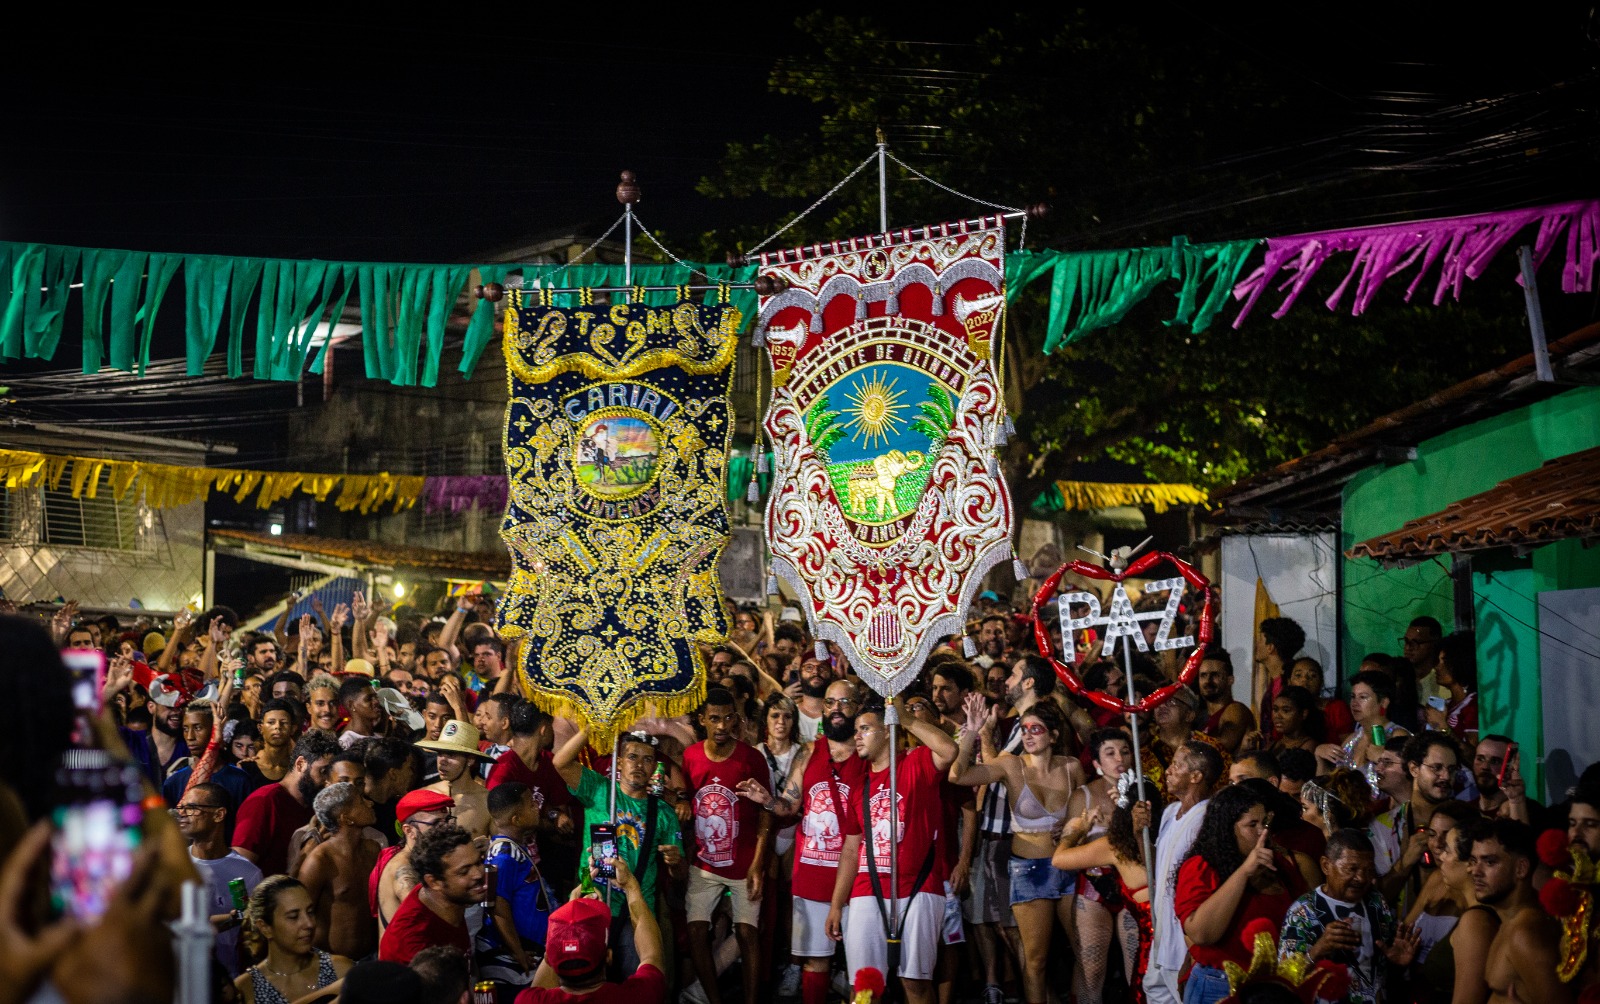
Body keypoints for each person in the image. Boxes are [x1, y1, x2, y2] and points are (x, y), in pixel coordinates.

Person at [739, 678, 866, 1004]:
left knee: (862, 968)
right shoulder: (809, 752)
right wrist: (768, 800)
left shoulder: (869, 754)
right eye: (830, 702)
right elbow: (789, 805)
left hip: (858, 876)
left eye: (844, 702)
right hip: (811, 872)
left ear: (858, 708)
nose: (836, 709)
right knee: (814, 960)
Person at [950, 692, 1083, 1004]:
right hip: (1029, 871)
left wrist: (1074, 827)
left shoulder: (1072, 768)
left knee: (1083, 952)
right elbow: (958, 776)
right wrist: (971, 731)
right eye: (1024, 729)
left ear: (1053, 735)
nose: (1028, 734)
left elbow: (1086, 814)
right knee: (1035, 960)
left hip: (1067, 868)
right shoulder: (1011, 766)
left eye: (1036, 729)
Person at [825, 695, 959, 1004]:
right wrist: (836, 904)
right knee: (864, 986)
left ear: (888, 731)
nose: (856, 736)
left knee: (915, 983)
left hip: (919, 887)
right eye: (855, 729)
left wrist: (907, 719)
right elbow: (850, 849)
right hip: (867, 889)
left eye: (865, 729)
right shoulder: (860, 786)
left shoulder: (916, 763)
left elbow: (950, 750)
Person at [552, 726, 686, 976]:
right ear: (620, 762)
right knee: (586, 980)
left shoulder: (664, 814)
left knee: (633, 981)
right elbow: (560, 761)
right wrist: (591, 725)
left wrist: (675, 862)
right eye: (633, 757)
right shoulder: (598, 789)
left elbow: (680, 875)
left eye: (647, 759)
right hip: (591, 898)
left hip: (636, 911)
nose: (639, 765)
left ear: (654, 767)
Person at [1174, 782, 1309, 1004]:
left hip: (1271, 987)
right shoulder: (1201, 866)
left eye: (1265, 822)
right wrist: (1244, 872)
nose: (1261, 832)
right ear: (1228, 828)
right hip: (1220, 985)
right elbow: (1201, 934)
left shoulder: (1278, 864)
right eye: (1251, 824)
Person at [682, 688, 772, 1004]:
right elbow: (685, 804)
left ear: (736, 718)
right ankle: (713, 998)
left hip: (744, 863)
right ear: (702, 719)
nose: (721, 727)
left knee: (747, 933)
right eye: (714, 719)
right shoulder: (690, 757)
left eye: (727, 718)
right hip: (704, 866)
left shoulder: (752, 758)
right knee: (696, 932)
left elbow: (766, 813)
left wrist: (758, 863)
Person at [1276, 828, 1420, 1004]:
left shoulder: (1376, 903)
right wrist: (1318, 949)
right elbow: (1285, 979)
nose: (1361, 878)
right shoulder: (1303, 912)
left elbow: (1384, 969)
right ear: (1326, 866)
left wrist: (1398, 964)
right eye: (1351, 869)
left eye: (1368, 870)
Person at [1054, 786, 1165, 1004]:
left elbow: (1059, 859)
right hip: (1163, 939)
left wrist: (1078, 831)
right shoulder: (1168, 834)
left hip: (1156, 944)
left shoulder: (1116, 846)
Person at [515, 855, 667, 1004]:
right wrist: (630, 886)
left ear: (549, 959)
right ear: (608, 957)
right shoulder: (639, 995)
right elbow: (651, 956)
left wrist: (569, 914)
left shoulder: (528, 1000)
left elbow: (544, 976)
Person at [1059, 727, 1140, 1004]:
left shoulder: (1144, 792)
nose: (1119, 758)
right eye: (1110, 753)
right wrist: (1083, 829)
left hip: (1133, 887)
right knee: (1091, 971)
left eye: (1125, 751)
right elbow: (1065, 849)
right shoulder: (1084, 796)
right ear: (1096, 763)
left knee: (1138, 971)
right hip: (1094, 887)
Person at [1144, 740, 1225, 1004]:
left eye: (1176, 765)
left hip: (1183, 945)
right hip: (1161, 940)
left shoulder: (1206, 818)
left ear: (1196, 776)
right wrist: (1139, 834)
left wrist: (1191, 948)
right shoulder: (1169, 812)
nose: (1167, 771)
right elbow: (1157, 870)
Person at [1472, 818, 1573, 1004]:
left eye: (1489, 862)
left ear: (1521, 868)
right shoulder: (1512, 922)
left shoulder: (1525, 933)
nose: (1475, 871)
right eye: (1474, 860)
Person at [178, 780, 264, 978]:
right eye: (181, 807)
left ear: (219, 814)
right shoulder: (175, 867)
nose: (182, 813)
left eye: (191, 808)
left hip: (230, 980)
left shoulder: (246, 873)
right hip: (183, 979)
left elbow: (253, 930)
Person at [1410, 818, 1500, 1004]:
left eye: (1448, 851)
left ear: (1469, 863)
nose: (1441, 857)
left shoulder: (1476, 921)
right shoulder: (1473, 914)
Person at [233, 730, 340, 877]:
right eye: (323, 771)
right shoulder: (264, 802)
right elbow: (238, 870)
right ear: (301, 764)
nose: (328, 782)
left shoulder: (316, 805)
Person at [236, 876, 354, 1004]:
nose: (309, 924)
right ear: (265, 928)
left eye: (310, 912)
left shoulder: (341, 970)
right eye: (293, 917)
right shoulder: (245, 989)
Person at [298, 781, 383, 959]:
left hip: (371, 957)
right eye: (361, 801)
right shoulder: (320, 861)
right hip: (330, 964)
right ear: (346, 818)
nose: (370, 803)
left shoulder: (373, 850)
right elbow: (300, 913)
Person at [379, 822, 486, 964]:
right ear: (433, 882)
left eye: (479, 862)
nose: (478, 874)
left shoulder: (451, 900)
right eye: (464, 871)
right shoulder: (413, 942)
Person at [482, 783, 555, 979]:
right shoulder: (504, 857)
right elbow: (497, 906)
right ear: (517, 819)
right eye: (531, 805)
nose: (537, 807)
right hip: (516, 963)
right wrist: (517, 952)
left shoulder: (514, 849)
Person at [485, 701, 578, 853]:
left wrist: (555, 815)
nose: (553, 732)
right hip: (511, 854)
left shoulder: (548, 761)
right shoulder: (503, 769)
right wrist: (548, 822)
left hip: (542, 853)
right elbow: (498, 822)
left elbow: (557, 808)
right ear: (543, 729)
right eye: (551, 726)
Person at [1379, 734, 1461, 904]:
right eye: (1436, 768)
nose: (1445, 776)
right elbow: (1376, 901)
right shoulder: (1381, 828)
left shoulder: (1469, 822)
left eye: (1452, 769)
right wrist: (1406, 862)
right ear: (1414, 769)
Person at [1401, 800, 1481, 974]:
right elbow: (1404, 931)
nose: (1436, 843)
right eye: (1432, 834)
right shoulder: (1436, 877)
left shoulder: (1479, 894)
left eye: (1446, 835)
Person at [373, 789, 457, 936]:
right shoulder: (404, 868)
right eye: (436, 823)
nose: (446, 830)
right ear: (409, 830)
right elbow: (429, 918)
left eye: (447, 821)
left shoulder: (428, 858)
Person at [1317, 671, 1409, 791]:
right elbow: (1328, 790)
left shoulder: (1397, 736)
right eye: (1353, 696)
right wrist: (1319, 755)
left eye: (1363, 697)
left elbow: (1408, 782)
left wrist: (1382, 761)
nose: (1355, 703)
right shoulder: (1352, 739)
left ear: (1383, 702)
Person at [417, 719, 494, 837]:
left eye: (451, 755)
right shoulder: (423, 795)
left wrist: (488, 846)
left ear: (470, 759)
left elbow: (500, 847)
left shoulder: (487, 802)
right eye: (440, 753)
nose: (442, 760)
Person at [1422, 633, 1479, 747]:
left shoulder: (1472, 705)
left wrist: (1444, 727)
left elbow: (1473, 756)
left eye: (1445, 661)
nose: (1437, 667)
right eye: (1438, 661)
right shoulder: (1446, 704)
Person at [1254, 617, 1304, 741]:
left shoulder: (1289, 683)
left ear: (1270, 647)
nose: (1256, 644)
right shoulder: (1276, 681)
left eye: (1260, 640)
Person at [1196, 650, 1255, 756]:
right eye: (1203, 675)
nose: (1208, 681)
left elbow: (1220, 747)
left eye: (1215, 675)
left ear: (1230, 680)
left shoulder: (1236, 710)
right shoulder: (1199, 716)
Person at [1287, 658, 1353, 742]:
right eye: (1298, 675)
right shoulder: (1283, 709)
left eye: (1312, 676)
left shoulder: (1336, 709)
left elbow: (1349, 747)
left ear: (1321, 682)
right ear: (1289, 682)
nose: (1305, 680)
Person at [1403, 616, 1447, 707]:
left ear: (1434, 644)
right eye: (1406, 641)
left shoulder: (1442, 682)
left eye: (1416, 642)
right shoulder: (1401, 679)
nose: (1408, 647)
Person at [1264, 686, 1320, 756]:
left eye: (1286, 711)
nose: (1277, 716)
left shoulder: (1309, 746)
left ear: (1303, 714)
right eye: (1275, 710)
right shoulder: (1273, 745)